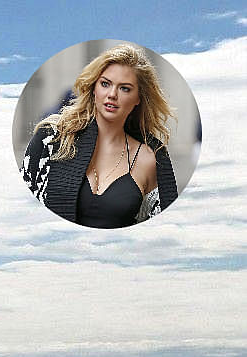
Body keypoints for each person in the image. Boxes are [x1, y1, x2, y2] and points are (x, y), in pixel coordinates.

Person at [22, 45, 178, 228]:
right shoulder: (51, 138)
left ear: (138, 98)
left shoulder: (151, 158)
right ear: (94, 88)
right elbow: (23, 209)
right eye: (105, 84)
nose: (112, 95)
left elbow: (163, 229)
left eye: (125, 89)